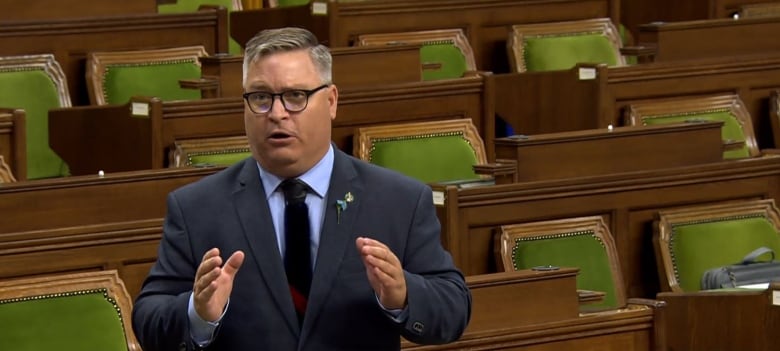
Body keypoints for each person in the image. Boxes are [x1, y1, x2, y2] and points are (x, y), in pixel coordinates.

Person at [132, 27, 471, 351]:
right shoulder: (196, 208)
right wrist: (197, 313)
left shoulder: (398, 200)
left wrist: (403, 295)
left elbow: (453, 307)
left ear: (332, 101)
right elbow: (149, 318)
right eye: (261, 98)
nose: (277, 113)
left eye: (296, 96)